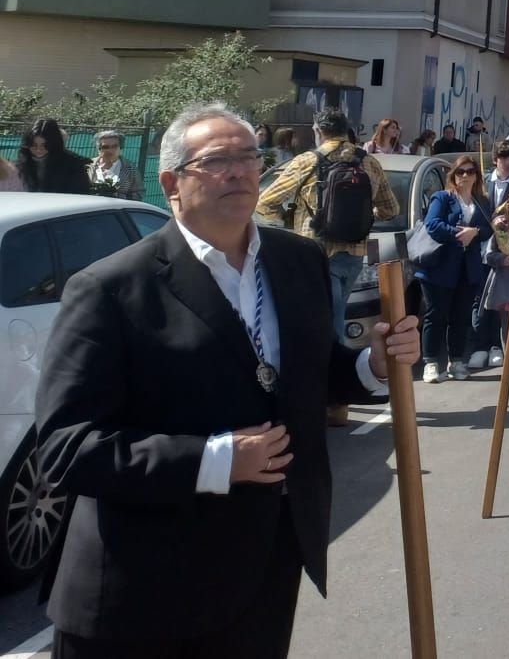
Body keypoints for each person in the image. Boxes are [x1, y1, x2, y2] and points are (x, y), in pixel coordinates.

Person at [36, 102, 418, 657]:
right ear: (171, 182)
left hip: (266, 564)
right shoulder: (112, 288)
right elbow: (68, 447)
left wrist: (374, 365)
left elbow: (308, 375)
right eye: (217, 161)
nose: (239, 171)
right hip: (143, 593)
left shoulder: (298, 261)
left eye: (249, 157)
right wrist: (216, 459)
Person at [255, 109, 400, 423]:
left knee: (326, 328)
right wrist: (361, 212)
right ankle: (336, 400)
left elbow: (264, 201)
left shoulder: (307, 162)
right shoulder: (368, 162)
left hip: (315, 253)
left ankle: (334, 402)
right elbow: (391, 209)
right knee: (334, 320)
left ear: (317, 131)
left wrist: (289, 218)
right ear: (348, 131)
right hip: (354, 254)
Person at [413, 156, 491, 382]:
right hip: (439, 267)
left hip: (468, 268)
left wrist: (475, 232)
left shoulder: (481, 201)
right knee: (436, 315)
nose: (464, 176)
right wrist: (460, 233)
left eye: (469, 172)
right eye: (460, 172)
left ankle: (456, 361)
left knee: (461, 316)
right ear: (453, 176)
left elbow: (488, 228)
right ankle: (430, 362)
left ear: (476, 175)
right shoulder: (443, 198)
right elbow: (432, 224)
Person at [468, 139, 509, 370]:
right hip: (480, 249)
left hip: (506, 252)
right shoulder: (481, 182)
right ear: (495, 159)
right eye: (503, 157)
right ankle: (479, 346)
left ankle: (496, 346)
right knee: (480, 300)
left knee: (501, 301)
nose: (507, 161)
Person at [18, 118, 90, 194]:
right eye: (33, 145)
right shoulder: (21, 163)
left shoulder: (73, 164)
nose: (38, 150)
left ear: (54, 144)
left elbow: (80, 192)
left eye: (45, 145)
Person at [86, 130, 142, 200]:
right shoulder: (88, 167)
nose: (110, 150)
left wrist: (118, 198)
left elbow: (139, 193)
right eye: (106, 147)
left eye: (114, 146)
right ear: (99, 149)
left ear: (120, 147)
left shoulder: (130, 168)